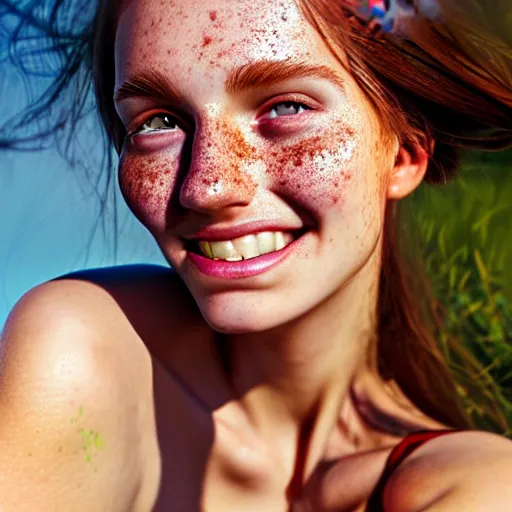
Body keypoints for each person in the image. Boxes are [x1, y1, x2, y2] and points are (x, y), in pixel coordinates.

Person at [1, 0, 512, 510]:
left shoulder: (477, 487)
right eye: (158, 122)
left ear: (404, 150)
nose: (208, 187)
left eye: (286, 107)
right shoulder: (81, 353)